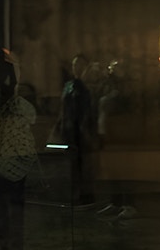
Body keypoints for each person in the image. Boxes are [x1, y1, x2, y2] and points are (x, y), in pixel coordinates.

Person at [0, 51, 37, 250]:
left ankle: (10, 243)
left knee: (7, 209)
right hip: (13, 160)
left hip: (9, 160)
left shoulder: (13, 105)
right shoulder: (18, 105)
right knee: (12, 208)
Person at [55, 54, 97, 206]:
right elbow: (63, 106)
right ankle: (75, 194)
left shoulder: (89, 86)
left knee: (84, 162)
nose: (76, 68)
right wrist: (60, 123)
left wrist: (86, 129)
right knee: (72, 162)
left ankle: (86, 195)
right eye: (74, 65)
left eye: (80, 65)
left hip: (82, 129)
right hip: (70, 128)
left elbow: (89, 108)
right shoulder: (69, 85)